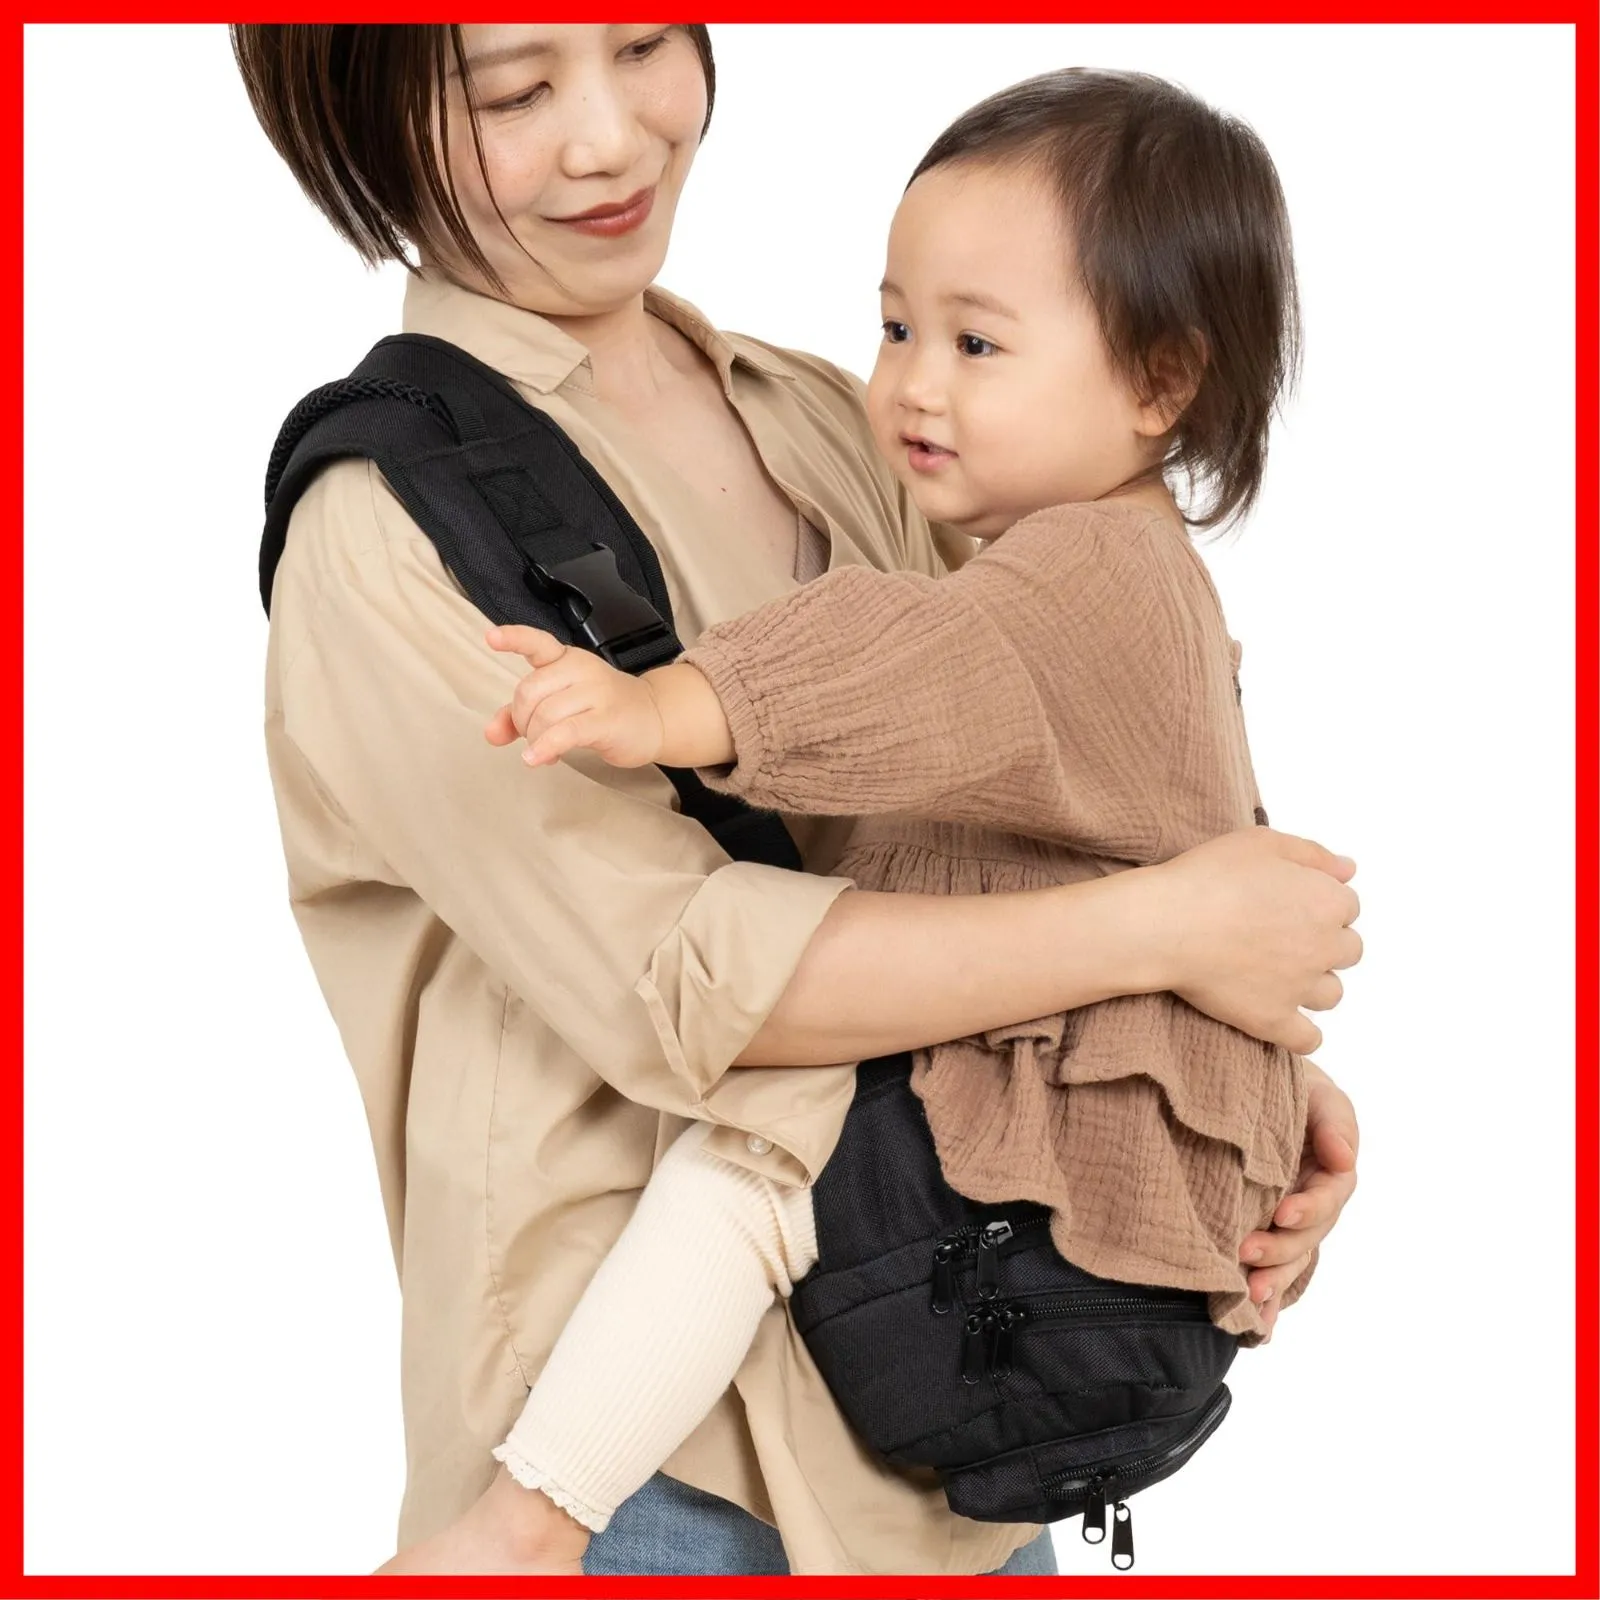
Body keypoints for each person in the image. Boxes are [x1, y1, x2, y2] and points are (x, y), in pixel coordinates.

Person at [233, 24, 1362, 1577]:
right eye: (515, 91)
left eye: (646, 43)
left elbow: (1065, 759)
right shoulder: (388, 528)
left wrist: (1211, 1085)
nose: (609, 138)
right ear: (362, 118)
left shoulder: (836, 417)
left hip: (948, 1415)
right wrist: (1165, 937)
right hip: (652, 1482)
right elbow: (698, 981)